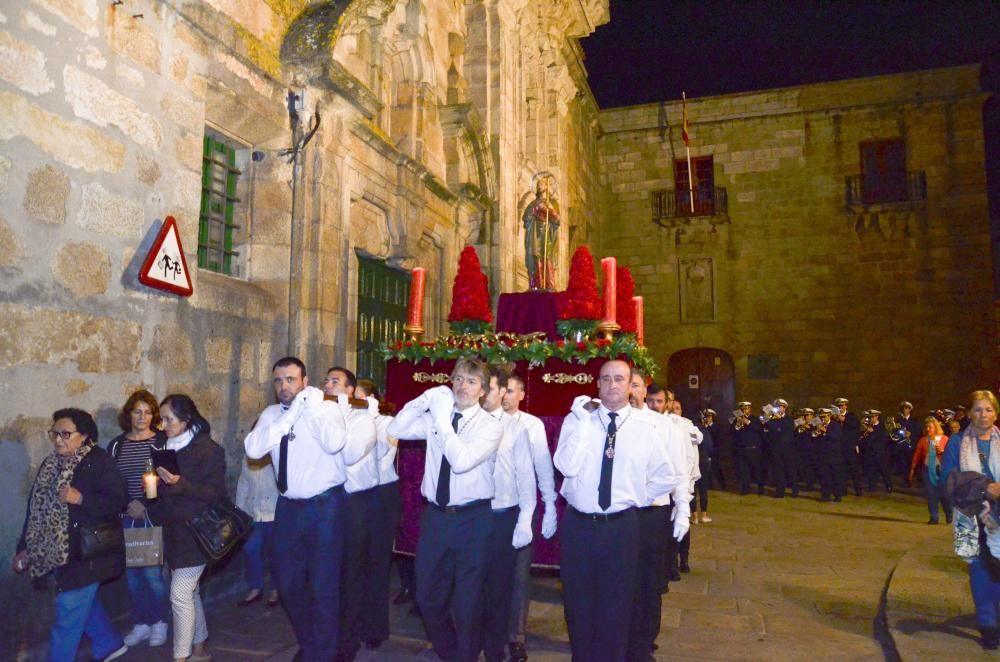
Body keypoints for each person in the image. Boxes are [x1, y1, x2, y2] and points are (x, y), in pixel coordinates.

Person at [554, 360, 682, 662]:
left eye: (619, 379)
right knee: (578, 601)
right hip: (580, 525)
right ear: (597, 385)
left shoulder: (645, 427)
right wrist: (585, 423)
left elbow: (666, 476)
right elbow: (565, 466)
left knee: (618, 603)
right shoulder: (577, 421)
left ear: (630, 385)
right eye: (606, 379)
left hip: (622, 526)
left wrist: (636, 497)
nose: (612, 385)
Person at [244, 357, 364, 662]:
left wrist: (309, 410)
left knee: (324, 585)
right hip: (288, 509)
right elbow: (253, 449)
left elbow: (336, 443)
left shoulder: (326, 408)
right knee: (288, 583)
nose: (284, 386)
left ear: (305, 381)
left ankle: (321, 654)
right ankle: (312, 644)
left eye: (291, 380)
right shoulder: (272, 414)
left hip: (325, 507)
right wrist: (291, 413)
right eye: (278, 381)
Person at [387, 357, 503, 662]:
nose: (462, 386)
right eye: (458, 379)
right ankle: (452, 652)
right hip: (436, 518)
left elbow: (461, 461)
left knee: (467, 600)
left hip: (473, 519)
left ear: (483, 390)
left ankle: (464, 656)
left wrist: (439, 420)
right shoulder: (438, 416)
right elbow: (396, 426)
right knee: (426, 596)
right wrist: (423, 399)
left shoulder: (490, 426)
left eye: (471, 381)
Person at [13, 408, 128, 662]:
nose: (58, 439)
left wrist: (81, 498)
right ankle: (109, 644)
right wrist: (24, 547)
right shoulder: (50, 463)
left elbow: (118, 500)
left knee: (67, 613)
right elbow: (35, 509)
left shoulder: (99, 461)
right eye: (54, 433)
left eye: (66, 434)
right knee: (80, 605)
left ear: (84, 435)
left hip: (87, 554)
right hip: (55, 551)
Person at [147, 395, 225, 662]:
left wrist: (180, 483)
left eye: (169, 419)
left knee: (179, 594)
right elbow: (164, 488)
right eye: (162, 418)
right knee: (188, 592)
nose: (163, 424)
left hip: (197, 533)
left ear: (186, 418)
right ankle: (201, 648)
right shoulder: (163, 446)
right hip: (173, 532)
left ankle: (181, 657)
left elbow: (215, 493)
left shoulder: (208, 449)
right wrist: (154, 487)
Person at [627, 373, 690, 662]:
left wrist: (683, 510)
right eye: (627, 385)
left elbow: (678, 470)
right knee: (621, 580)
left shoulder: (665, 426)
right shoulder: (611, 422)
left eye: (635, 385)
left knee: (649, 582)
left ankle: (644, 641)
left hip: (653, 511)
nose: (630, 391)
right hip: (621, 512)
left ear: (643, 391)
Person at [478, 364, 535, 662]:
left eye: (490, 388)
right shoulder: (465, 423)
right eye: (481, 387)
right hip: (472, 515)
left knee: (502, 586)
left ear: (502, 392)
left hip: (502, 514)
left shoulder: (516, 429)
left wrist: (526, 518)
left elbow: (526, 477)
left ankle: (496, 647)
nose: (484, 393)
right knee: (471, 583)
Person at [501, 372, 557, 662]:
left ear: (522, 395)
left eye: (512, 391)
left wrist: (549, 506)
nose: (506, 396)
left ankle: (516, 637)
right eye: (503, 390)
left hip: (523, 508)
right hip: (491, 510)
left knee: (518, 577)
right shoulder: (487, 420)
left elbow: (542, 467)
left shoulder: (531, 424)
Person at [107, 390, 169, 649]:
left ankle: (160, 621)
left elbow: (168, 479)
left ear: (154, 415)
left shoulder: (161, 442)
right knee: (133, 577)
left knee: (153, 574)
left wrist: (143, 503)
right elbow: (109, 482)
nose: (142, 417)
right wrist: (126, 504)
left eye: (147, 412)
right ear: (128, 414)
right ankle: (142, 623)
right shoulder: (116, 445)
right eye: (137, 411)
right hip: (126, 518)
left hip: (152, 517)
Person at [324, 367, 378, 662]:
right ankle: (324, 637)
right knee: (325, 574)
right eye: (326, 380)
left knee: (351, 574)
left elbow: (348, 453)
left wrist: (342, 410)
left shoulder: (364, 419)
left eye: (335, 382)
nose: (328, 385)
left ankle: (348, 641)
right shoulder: (320, 416)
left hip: (355, 502)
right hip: (326, 502)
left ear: (349, 390)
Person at [941, 390, 1000, 650]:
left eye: (988, 409)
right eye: (978, 409)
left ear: (995, 413)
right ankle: (987, 625)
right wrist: (983, 488)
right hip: (972, 516)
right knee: (981, 570)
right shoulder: (957, 442)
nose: (983, 414)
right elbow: (948, 480)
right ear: (969, 413)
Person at [354, 378, 398, 651]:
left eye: (359, 397)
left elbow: (383, 457)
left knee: (376, 565)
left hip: (381, 495)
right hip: (356, 498)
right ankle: (353, 622)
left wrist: (370, 419)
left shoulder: (386, 423)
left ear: (371, 398)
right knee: (353, 564)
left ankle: (375, 628)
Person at [234, 453, 279, 608]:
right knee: (250, 548)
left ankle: (275, 588)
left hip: (275, 513)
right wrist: (239, 511)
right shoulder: (247, 458)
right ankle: (256, 587)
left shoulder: (276, 455)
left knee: (275, 552)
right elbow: (243, 483)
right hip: (254, 514)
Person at [666, 399, 701, 576]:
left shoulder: (687, 425)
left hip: (686, 482)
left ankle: (684, 559)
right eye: (670, 408)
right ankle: (672, 564)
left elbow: (698, 441)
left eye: (677, 409)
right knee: (669, 525)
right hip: (668, 484)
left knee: (683, 523)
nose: (674, 412)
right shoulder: (663, 424)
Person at [908, 417, 951, 524]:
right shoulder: (923, 440)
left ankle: (949, 515)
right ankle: (934, 517)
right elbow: (917, 455)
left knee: (945, 495)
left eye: (930, 427)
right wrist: (912, 469)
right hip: (928, 470)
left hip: (942, 471)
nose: (928, 429)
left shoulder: (945, 439)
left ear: (935, 427)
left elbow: (952, 455)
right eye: (926, 427)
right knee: (931, 495)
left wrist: (943, 451)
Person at [522, 171, 560, 290]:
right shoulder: (532, 204)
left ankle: (549, 285)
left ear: (547, 187)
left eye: (542, 184)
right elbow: (526, 218)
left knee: (547, 259)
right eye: (538, 184)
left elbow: (557, 220)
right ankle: (534, 285)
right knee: (534, 260)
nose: (539, 186)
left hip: (547, 234)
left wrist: (550, 209)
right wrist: (535, 209)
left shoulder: (552, 203)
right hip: (534, 233)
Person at [765, 398, 797, 498]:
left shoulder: (789, 419)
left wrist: (779, 419)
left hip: (788, 449)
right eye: (777, 407)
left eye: (781, 407)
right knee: (779, 471)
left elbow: (788, 427)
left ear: (785, 408)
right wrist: (768, 417)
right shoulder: (772, 420)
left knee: (791, 470)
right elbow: (769, 428)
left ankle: (794, 490)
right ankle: (780, 491)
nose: (779, 409)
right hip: (776, 449)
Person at [731, 401, 764, 495]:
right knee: (744, 470)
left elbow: (759, 429)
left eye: (747, 409)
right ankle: (745, 489)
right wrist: (737, 425)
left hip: (754, 448)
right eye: (743, 409)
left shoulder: (755, 419)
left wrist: (748, 422)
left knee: (757, 469)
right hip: (742, 449)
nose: (745, 411)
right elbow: (732, 432)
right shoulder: (735, 419)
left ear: (750, 409)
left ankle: (760, 488)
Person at [834, 398, 864, 496]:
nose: (841, 407)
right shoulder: (834, 418)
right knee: (841, 470)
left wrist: (845, 419)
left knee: (854, 468)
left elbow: (856, 425)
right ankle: (842, 490)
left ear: (846, 406)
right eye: (839, 406)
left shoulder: (851, 416)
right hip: (839, 447)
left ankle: (858, 489)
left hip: (849, 446)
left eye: (843, 405)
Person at [695, 410, 715, 522]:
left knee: (692, 490)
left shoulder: (688, 428)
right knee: (703, 489)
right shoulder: (702, 430)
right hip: (702, 460)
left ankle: (694, 517)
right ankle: (703, 515)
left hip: (691, 462)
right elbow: (709, 445)